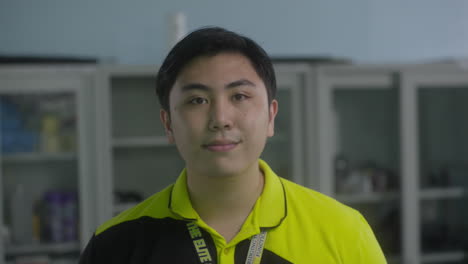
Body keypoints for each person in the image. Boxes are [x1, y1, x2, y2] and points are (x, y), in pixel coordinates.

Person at [79, 27, 387, 264]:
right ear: (168, 124)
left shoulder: (344, 232)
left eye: (239, 96)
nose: (221, 119)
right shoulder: (115, 246)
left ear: (270, 115)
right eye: (197, 100)